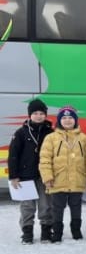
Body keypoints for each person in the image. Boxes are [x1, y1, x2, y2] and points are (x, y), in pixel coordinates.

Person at [39, 106, 86, 243]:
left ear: (75, 120)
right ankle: (57, 233)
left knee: (76, 207)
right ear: (59, 121)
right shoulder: (51, 138)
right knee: (57, 208)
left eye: (70, 118)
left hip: (77, 179)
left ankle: (76, 230)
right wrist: (47, 177)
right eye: (64, 118)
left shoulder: (83, 138)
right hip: (58, 180)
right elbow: (45, 159)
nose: (67, 120)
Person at [8, 99, 53, 244]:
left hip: (44, 176)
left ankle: (46, 231)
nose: (39, 116)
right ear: (29, 115)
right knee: (27, 206)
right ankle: (27, 232)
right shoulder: (21, 133)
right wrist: (14, 176)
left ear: (45, 115)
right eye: (35, 113)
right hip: (25, 176)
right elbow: (13, 155)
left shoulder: (51, 133)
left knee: (46, 205)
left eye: (41, 113)